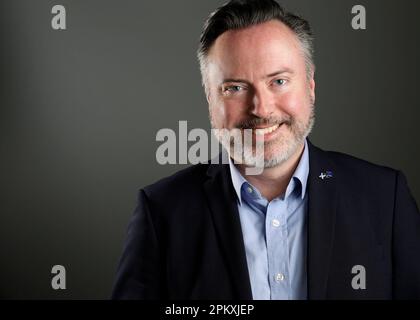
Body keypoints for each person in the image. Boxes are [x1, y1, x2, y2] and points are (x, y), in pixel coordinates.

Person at [112, 0, 420, 299]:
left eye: (279, 81)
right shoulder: (161, 213)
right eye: (234, 88)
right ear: (210, 98)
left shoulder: (385, 198)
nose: (260, 108)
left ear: (310, 86)